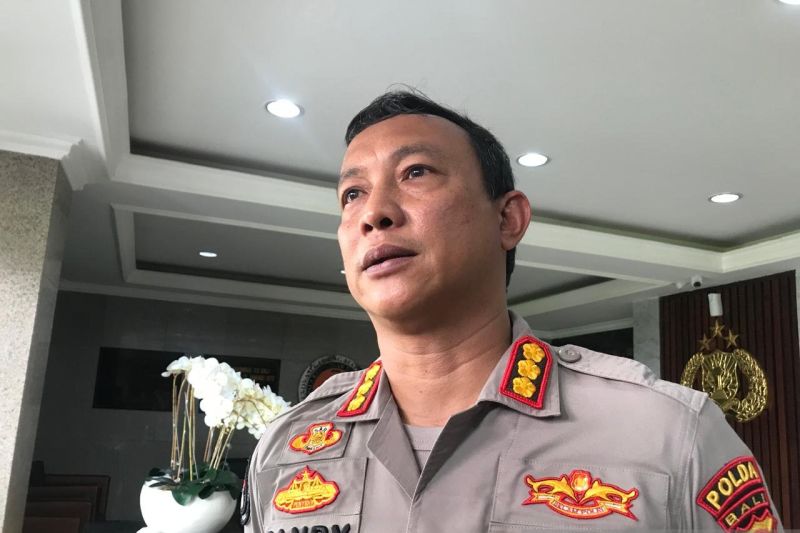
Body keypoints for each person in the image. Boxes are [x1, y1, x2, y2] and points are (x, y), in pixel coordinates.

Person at [242, 91, 783, 532]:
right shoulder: (286, 447)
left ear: (508, 219)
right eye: (352, 194)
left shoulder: (668, 434)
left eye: (416, 172)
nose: (374, 213)